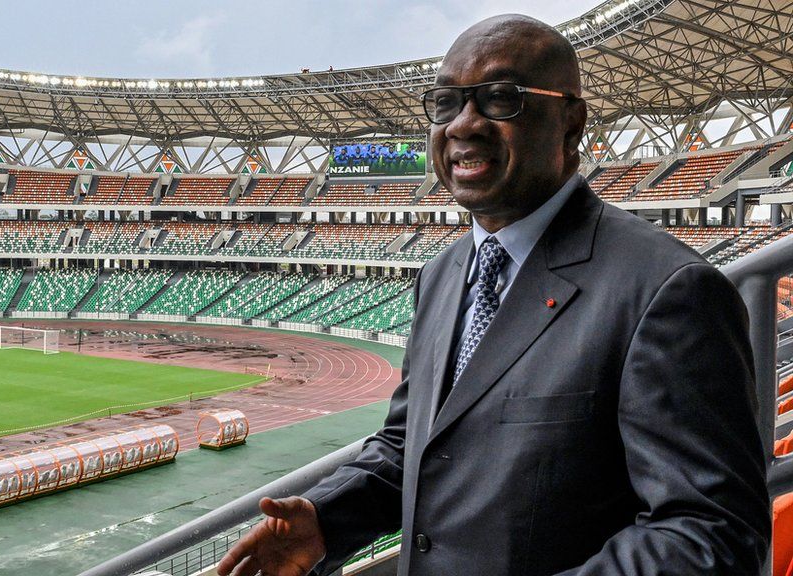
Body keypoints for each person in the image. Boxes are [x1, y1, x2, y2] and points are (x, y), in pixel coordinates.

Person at [218, 14, 770, 576]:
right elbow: (415, 444)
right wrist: (327, 517)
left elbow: (713, 535)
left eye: (501, 99)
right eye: (446, 103)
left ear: (572, 124)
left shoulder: (667, 290)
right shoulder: (441, 274)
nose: (464, 124)